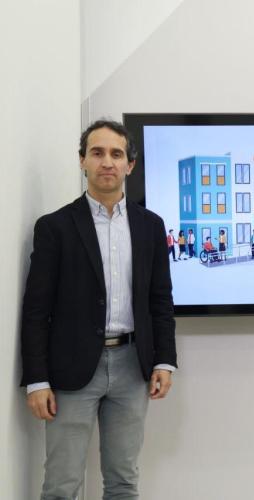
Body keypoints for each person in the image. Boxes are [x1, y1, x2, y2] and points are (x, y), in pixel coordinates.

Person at [20, 119, 177, 499]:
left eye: (116, 154)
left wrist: (164, 360)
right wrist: (37, 379)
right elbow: (36, 308)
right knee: (61, 485)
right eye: (97, 152)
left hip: (132, 366)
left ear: (130, 165)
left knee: (123, 482)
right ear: (82, 161)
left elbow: (160, 298)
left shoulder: (150, 226)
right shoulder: (55, 227)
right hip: (71, 369)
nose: (107, 161)